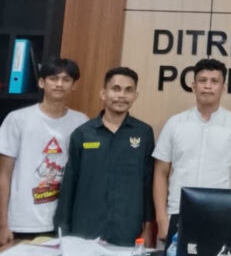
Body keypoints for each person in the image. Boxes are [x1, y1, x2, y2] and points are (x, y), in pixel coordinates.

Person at [153, 58, 231, 246]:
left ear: (223, 87)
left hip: (220, 214)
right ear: (193, 86)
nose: (208, 86)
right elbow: (160, 172)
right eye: (202, 80)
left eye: (214, 81)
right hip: (177, 212)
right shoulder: (175, 123)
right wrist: (161, 218)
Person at [54, 67, 154, 246]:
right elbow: (69, 184)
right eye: (116, 89)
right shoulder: (83, 134)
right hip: (85, 229)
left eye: (128, 90)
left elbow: (148, 183)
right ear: (103, 93)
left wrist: (148, 228)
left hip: (127, 229)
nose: (121, 95)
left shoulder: (144, 133)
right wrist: (63, 229)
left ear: (135, 96)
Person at [0, 58, 87, 246]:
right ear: (41, 82)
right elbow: (3, 174)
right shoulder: (18, 119)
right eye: (53, 78)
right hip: (22, 223)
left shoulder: (81, 122)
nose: (59, 84)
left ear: (74, 85)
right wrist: (2, 224)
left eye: (66, 79)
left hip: (63, 223)